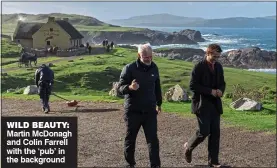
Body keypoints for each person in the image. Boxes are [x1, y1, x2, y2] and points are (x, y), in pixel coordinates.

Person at [117, 43, 162, 168]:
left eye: (150, 56)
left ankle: (155, 165)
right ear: (139, 55)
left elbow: (157, 87)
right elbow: (119, 89)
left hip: (150, 110)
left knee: (153, 140)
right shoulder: (129, 68)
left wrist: (159, 103)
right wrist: (130, 87)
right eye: (145, 56)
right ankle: (130, 163)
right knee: (130, 139)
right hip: (133, 111)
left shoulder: (154, 68)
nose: (148, 59)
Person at [184, 44, 226, 168]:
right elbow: (192, 86)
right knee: (204, 131)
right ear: (207, 53)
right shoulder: (199, 67)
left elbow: (222, 83)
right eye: (214, 56)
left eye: (218, 56)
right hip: (201, 104)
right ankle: (189, 147)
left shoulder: (218, 66)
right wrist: (210, 91)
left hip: (215, 105)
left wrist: (220, 90)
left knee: (215, 133)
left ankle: (213, 162)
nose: (216, 59)